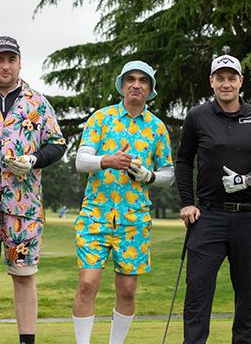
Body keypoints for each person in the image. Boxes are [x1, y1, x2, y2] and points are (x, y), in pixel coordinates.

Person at [0, 36, 67, 344]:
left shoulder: (38, 102)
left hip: (25, 206)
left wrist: (34, 158)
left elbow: (57, 144)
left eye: (11, 59)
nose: (5, 66)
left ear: (20, 63)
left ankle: (26, 341)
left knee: (24, 276)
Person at [175, 54, 251, 344]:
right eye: (220, 78)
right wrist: (187, 202)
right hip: (208, 216)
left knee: (247, 295)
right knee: (197, 291)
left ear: (240, 82)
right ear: (211, 81)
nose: (226, 83)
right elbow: (183, 161)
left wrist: (247, 179)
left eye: (231, 78)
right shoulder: (198, 116)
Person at [72, 60, 174, 344]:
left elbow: (169, 174)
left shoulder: (157, 128)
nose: (136, 84)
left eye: (143, 80)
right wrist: (108, 160)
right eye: (131, 79)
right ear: (122, 84)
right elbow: (81, 160)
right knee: (87, 283)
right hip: (95, 215)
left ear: (150, 89)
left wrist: (148, 175)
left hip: (134, 219)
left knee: (127, 290)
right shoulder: (101, 118)